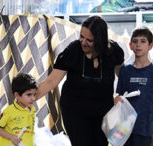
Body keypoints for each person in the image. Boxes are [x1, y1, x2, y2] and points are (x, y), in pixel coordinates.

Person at [36, 15, 124, 146]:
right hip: (74, 110)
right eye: (81, 36)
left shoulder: (113, 51)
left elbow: (123, 78)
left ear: (100, 40)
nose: (83, 42)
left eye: (89, 40)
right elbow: (51, 82)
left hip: (103, 111)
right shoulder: (73, 51)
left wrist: (122, 97)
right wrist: (26, 100)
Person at [114, 26, 153, 146]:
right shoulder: (125, 71)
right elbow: (120, 97)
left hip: (145, 128)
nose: (138, 45)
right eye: (135, 41)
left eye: (143, 41)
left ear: (150, 46)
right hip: (125, 129)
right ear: (130, 45)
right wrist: (117, 100)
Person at [0, 73, 38, 146]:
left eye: (34, 94)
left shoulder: (32, 110)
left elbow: (29, 132)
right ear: (17, 95)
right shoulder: (9, 111)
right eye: (29, 95)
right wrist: (11, 137)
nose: (33, 98)